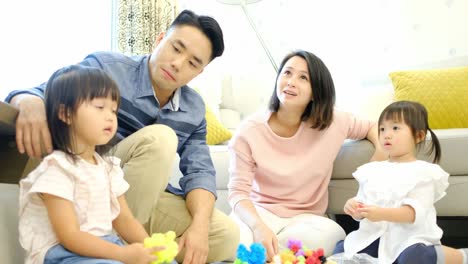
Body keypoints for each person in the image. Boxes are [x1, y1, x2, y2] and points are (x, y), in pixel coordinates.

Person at [6, 9, 239, 264]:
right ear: (160, 39)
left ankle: (139, 249)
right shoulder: (108, 68)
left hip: (130, 197)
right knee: (161, 138)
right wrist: (28, 101)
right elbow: (47, 90)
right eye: (176, 48)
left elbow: (200, 172)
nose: (178, 63)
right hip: (90, 179)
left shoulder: (194, 108)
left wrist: (199, 227)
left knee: (226, 235)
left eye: (193, 63)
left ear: (199, 72)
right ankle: (112, 247)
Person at [227, 49, 386, 261]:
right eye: (287, 73)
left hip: (306, 220)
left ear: (316, 91)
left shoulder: (334, 121)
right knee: (231, 237)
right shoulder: (249, 130)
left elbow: (374, 127)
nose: (291, 81)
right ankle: (277, 253)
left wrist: (380, 155)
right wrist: (258, 227)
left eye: (303, 78)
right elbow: (238, 192)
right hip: (260, 212)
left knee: (334, 236)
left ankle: (265, 255)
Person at [19, 65, 164, 264]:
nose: (110, 116)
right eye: (99, 107)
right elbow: (69, 235)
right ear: (66, 114)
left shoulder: (108, 168)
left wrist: (150, 248)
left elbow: (125, 220)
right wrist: (122, 254)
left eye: (113, 110)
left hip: (103, 245)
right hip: (63, 253)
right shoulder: (57, 169)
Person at [333, 100, 468, 264]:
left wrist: (380, 213)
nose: (386, 134)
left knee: (413, 257)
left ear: (418, 136)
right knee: (342, 249)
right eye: (382, 129)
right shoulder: (372, 171)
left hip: (409, 241)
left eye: (395, 128)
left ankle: (460, 256)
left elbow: (412, 214)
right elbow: (363, 202)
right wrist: (354, 206)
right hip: (376, 237)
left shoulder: (424, 173)